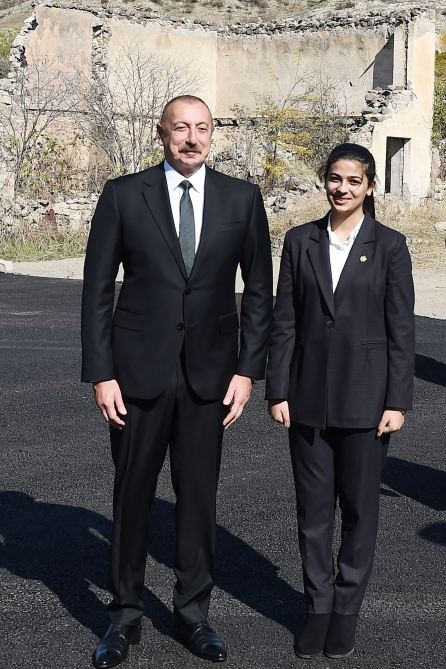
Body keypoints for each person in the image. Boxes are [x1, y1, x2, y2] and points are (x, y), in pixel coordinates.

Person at [81, 95, 273, 668]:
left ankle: (194, 616)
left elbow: (259, 294)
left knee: (197, 500)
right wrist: (101, 373)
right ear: (160, 133)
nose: (192, 138)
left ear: (213, 134)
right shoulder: (122, 194)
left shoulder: (243, 198)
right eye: (181, 128)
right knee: (132, 496)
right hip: (136, 376)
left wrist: (247, 371)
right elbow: (97, 291)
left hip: (210, 378)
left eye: (202, 128)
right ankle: (124, 617)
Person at [266, 143, 415, 660]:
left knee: (358, 510)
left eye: (354, 181)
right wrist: (277, 387)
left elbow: (401, 329)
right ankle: (318, 609)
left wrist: (397, 399)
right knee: (313, 513)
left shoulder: (390, 245)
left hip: (368, 401)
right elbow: (284, 319)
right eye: (335, 178)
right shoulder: (298, 241)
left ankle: (346, 611)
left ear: (370, 186)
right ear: (324, 181)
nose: (343, 188)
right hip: (306, 399)